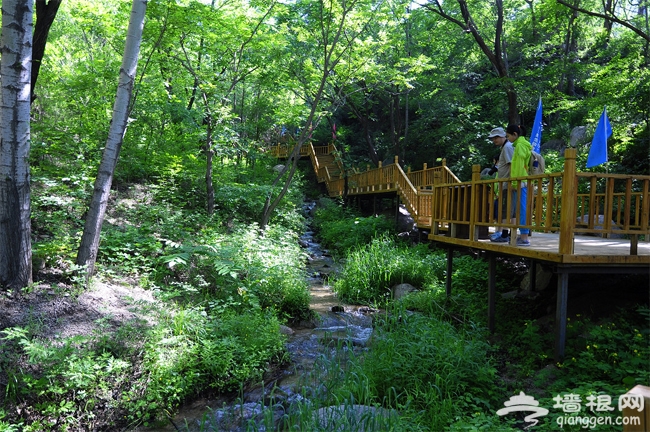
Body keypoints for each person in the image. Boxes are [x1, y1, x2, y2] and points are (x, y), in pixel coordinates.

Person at [486, 127, 515, 243]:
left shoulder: (507, 147)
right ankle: (504, 234)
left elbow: (512, 164)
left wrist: (512, 182)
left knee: (505, 210)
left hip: (508, 184)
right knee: (506, 209)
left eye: (497, 137)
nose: (494, 140)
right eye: (493, 138)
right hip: (504, 184)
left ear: (503, 136)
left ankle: (504, 235)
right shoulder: (505, 147)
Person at [506, 124, 532, 247]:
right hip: (520, 181)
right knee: (520, 208)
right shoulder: (520, 145)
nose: (508, 139)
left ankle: (524, 237)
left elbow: (519, 166)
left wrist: (516, 182)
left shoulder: (520, 146)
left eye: (508, 136)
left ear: (515, 135)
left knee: (522, 208)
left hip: (521, 182)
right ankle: (522, 236)